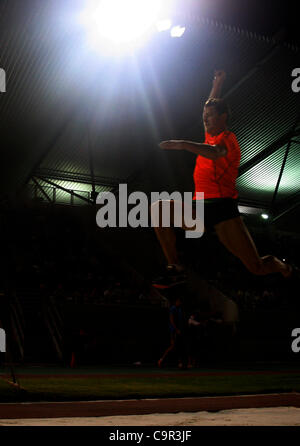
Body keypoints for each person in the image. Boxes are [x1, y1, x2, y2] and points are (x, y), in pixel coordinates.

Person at [151, 70, 294, 288]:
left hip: (223, 211)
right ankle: (175, 268)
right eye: (204, 117)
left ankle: (284, 267)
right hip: (200, 207)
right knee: (157, 209)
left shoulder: (229, 140)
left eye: (210, 117)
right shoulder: (211, 132)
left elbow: (214, 152)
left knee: (256, 267)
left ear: (223, 117)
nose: (205, 120)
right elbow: (210, 108)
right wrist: (217, 85)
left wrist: (182, 144)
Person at [158, 296, 187, 368]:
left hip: (179, 330)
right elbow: (171, 320)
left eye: (180, 302)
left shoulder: (179, 309)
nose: (179, 303)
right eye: (178, 301)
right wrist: (176, 329)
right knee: (173, 346)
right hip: (174, 331)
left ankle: (180, 363)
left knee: (180, 346)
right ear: (175, 302)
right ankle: (161, 360)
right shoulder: (173, 308)